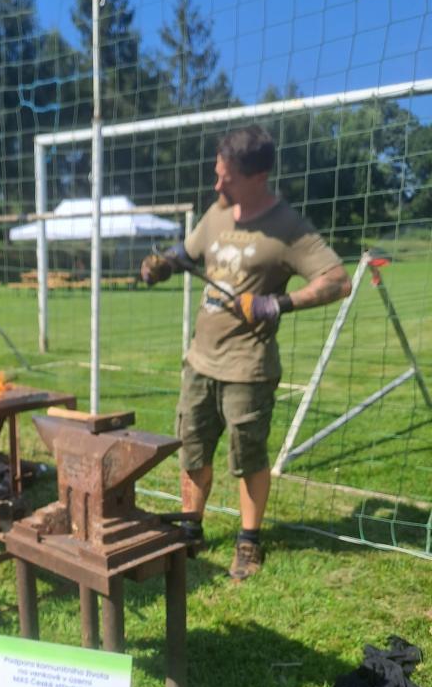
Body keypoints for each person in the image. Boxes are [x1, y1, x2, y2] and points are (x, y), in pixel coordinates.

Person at [141, 124, 351, 580]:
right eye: (217, 174)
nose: (217, 186)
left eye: (227, 178)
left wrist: (277, 304)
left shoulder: (288, 227)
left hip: (248, 368)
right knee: (192, 448)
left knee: (248, 456)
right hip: (200, 360)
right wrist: (163, 264)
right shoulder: (218, 212)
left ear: (258, 176)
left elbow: (338, 281)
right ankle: (190, 529)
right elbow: (188, 250)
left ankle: (249, 541)